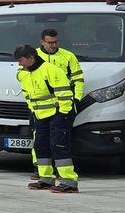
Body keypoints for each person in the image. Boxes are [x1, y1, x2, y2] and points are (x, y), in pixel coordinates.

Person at [15, 44, 79, 193]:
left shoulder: (51, 70)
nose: (19, 64)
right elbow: (29, 95)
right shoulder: (25, 73)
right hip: (40, 115)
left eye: (21, 60)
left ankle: (69, 181)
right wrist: (33, 112)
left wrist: (63, 115)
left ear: (31, 58)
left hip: (59, 113)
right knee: (40, 146)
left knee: (59, 146)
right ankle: (46, 179)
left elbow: (65, 94)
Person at [32, 28, 85, 179]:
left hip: (62, 106)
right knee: (39, 139)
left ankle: (63, 174)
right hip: (41, 108)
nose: (53, 45)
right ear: (42, 42)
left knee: (60, 139)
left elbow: (78, 79)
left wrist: (76, 99)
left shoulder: (68, 56)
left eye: (56, 42)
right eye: (50, 42)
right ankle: (40, 171)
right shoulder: (34, 56)